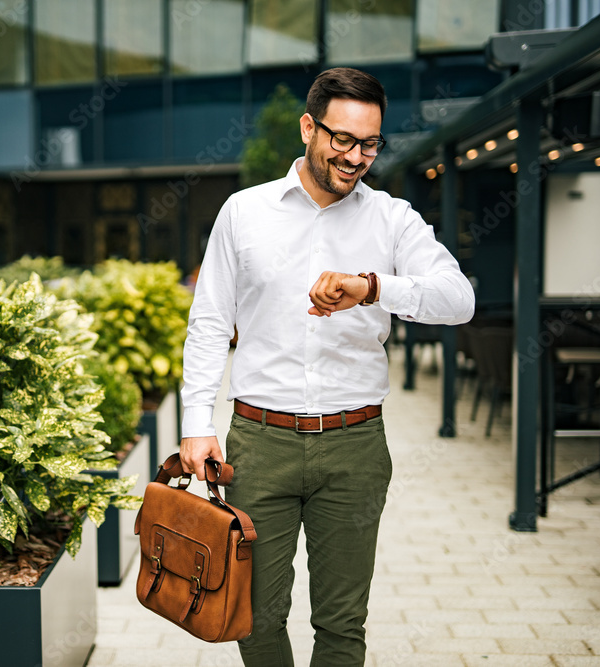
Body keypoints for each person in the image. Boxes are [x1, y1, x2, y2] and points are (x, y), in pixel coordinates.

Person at [179, 67, 475, 667]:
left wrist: (372, 287)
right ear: (309, 127)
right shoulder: (244, 212)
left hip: (355, 446)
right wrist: (195, 424)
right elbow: (209, 324)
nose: (356, 156)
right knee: (254, 617)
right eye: (342, 139)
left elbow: (458, 299)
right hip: (259, 443)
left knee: (343, 624)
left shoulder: (392, 218)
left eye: (370, 143)